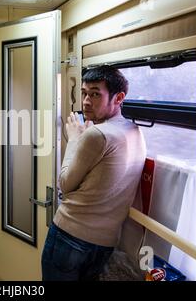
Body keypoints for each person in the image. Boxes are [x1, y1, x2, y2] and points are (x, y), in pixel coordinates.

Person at [41, 65, 147, 281]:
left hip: (70, 235)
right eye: (84, 93)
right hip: (105, 242)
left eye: (96, 94)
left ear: (119, 98)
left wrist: (73, 139)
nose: (87, 101)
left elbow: (65, 183)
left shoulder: (96, 134)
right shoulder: (135, 131)